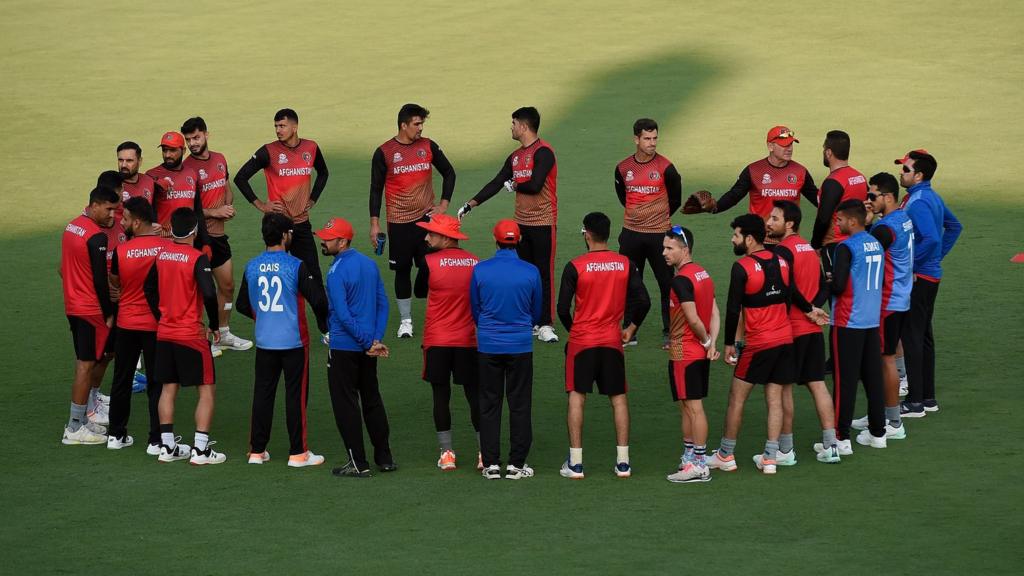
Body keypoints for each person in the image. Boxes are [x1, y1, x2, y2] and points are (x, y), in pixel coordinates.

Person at [556, 212, 651, 480]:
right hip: (612, 341)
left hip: (582, 341)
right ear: (607, 234)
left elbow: (562, 309)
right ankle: (623, 462)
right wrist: (631, 328)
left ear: (586, 234)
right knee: (618, 398)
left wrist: (574, 331)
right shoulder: (624, 263)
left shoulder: (575, 265)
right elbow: (643, 301)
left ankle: (575, 463)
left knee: (577, 396)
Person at [459, 107, 559, 343]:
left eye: (513, 123)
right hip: (521, 225)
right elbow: (496, 182)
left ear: (524, 126)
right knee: (523, 273)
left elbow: (535, 185)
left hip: (543, 223)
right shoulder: (515, 157)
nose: (511, 127)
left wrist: (515, 185)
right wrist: (471, 204)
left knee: (543, 273)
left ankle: (545, 324)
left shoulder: (544, 153)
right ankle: (529, 320)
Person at [237, 213, 329, 468]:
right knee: (295, 396)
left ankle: (257, 451)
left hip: (265, 342)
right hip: (294, 342)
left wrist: (264, 317)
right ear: (286, 235)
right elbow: (319, 300)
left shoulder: (252, 265)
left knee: (262, 395)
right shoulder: (295, 265)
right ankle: (298, 453)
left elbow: (242, 305)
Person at [708, 214, 794, 475]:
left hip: (758, 344)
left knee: (737, 397)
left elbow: (734, 309)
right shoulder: (782, 259)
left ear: (749, 238)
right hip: (784, 338)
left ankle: (725, 454)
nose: (732, 240)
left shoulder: (742, 267)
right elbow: (789, 297)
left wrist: (730, 344)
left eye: (736, 235)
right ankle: (770, 458)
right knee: (775, 397)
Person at [144, 208, 225, 465]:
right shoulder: (197, 259)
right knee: (206, 390)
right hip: (191, 334)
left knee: (168, 388)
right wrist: (214, 324)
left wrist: (162, 316)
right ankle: (200, 450)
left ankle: (167, 447)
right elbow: (210, 294)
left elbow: (148, 289)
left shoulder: (161, 255)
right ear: (195, 231)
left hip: (165, 333)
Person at [369, 103, 457, 338]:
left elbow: (449, 172)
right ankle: (406, 321)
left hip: (427, 221)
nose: (420, 129)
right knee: (401, 271)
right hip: (399, 223)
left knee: (431, 269)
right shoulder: (385, 152)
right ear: (403, 125)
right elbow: (376, 190)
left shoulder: (428, 146)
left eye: (422, 124)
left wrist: (443, 205)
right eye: (417, 124)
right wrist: (375, 224)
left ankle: (437, 317)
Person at [319, 217, 395, 478]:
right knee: (372, 399)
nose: (323, 241)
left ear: (342, 241)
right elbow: (383, 304)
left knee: (346, 405)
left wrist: (365, 342)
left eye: (328, 238)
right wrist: (374, 340)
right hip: (367, 348)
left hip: (344, 347)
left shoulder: (336, 271)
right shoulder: (370, 265)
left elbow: (341, 313)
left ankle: (358, 462)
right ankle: (384, 458)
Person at [765, 201, 841, 463]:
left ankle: (785, 451)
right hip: (812, 329)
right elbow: (823, 286)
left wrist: (807, 308)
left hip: (791, 329)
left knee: (783, 388)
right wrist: (815, 309)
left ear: (789, 224)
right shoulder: (808, 248)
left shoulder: (782, 251)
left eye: (774, 218)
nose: (768, 222)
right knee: (818, 384)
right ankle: (831, 446)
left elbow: (787, 288)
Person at [471, 219, 543, 479]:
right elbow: (536, 312)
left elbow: (475, 309)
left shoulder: (481, 270)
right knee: (520, 404)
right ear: (519, 240)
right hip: (520, 345)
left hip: (488, 345)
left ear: (495, 239)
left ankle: (490, 463)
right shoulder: (531, 271)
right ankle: (516, 464)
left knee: (489, 404)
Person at [895, 150, 962, 416]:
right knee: (923, 337)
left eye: (906, 169)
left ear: (919, 175)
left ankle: (914, 402)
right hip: (929, 275)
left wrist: (913, 264)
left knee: (911, 335)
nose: (902, 172)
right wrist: (935, 258)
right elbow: (954, 227)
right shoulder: (929, 196)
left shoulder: (918, 201)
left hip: (919, 277)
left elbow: (932, 238)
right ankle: (928, 398)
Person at [412, 214, 480, 471]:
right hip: (467, 340)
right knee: (474, 396)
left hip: (437, 340)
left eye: (431, 233)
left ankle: (447, 453)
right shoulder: (475, 262)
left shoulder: (428, 262)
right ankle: (484, 453)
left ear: (446, 237)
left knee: (441, 397)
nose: (426, 237)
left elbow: (419, 292)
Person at [234, 108, 330, 285]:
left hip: (301, 222)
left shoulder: (311, 147)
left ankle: (323, 314)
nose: (278, 130)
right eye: (276, 126)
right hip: (277, 224)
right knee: (277, 275)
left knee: (313, 276)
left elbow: (323, 172)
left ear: (295, 127)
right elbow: (240, 178)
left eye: (282, 126)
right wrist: (261, 205)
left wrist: (313, 198)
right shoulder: (268, 151)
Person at [181, 116, 253, 354]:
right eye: (188, 139)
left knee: (228, 286)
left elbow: (225, 187)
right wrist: (216, 211)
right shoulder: (187, 169)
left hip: (219, 237)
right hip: (199, 239)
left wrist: (228, 205)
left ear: (206, 135)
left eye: (196, 137)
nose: (192, 143)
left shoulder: (220, 159)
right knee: (200, 291)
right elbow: (187, 207)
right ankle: (203, 338)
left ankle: (222, 334)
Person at [850, 173, 913, 440]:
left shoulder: (884, 229)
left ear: (887, 197)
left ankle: (893, 422)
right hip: (900, 297)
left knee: (883, 359)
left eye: (872, 196)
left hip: (887, 301)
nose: (868, 200)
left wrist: (863, 225)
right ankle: (881, 412)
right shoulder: (902, 218)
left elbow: (867, 251)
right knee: (882, 357)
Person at [106, 197, 168, 453]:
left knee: (121, 379)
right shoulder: (164, 249)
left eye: (127, 218)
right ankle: (155, 440)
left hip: (126, 323)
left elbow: (115, 282)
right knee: (156, 381)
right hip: (154, 325)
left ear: (138, 221)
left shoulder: (121, 251)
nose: (122, 222)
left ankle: (116, 435)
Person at [824, 199, 887, 451]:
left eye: (839, 220)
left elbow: (838, 285)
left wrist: (827, 280)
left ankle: (841, 439)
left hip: (848, 322)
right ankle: (878, 433)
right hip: (871, 320)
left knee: (844, 381)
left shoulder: (845, 247)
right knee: (873, 379)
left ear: (852, 220)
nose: (836, 223)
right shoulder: (876, 243)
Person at [614, 118, 682, 347]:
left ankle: (670, 332)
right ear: (636, 139)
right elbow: (622, 195)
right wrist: (637, 214)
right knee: (629, 283)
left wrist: (656, 217)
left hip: (659, 235)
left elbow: (676, 198)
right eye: (647, 138)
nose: (652, 143)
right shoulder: (623, 168)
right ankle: (629, 332)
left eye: (655, 138)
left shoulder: (666, 167)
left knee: (666, 284)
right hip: (631, 234)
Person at [660, 225, 720, 483]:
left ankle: (699, 463)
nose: (664, 253)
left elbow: (694, 319)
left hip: (686, 352)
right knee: (687, 406)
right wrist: (713, 342)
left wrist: (707, 342)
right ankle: (689, 456)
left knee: (694, 408)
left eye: (669, 248)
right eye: (664, 247)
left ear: (685, 250)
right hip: (693, 351)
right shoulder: (702, 274)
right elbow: (714, 311)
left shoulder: (681, 280)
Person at [60, 186, 118, 445]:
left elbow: (62, 269)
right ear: (95, 205)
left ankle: (82, 420)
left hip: (73, 306)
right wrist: (108, 313)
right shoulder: (97, 237)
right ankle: (74, 428)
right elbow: (99, 281)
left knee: (88, 361)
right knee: (85, 366)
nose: (113, 215)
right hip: (91, 310)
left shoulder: (71, 227)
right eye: (109, 209)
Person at [685, 126, 818, 220]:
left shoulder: (800, 172)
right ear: (770, 146)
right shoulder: (753, 170)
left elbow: (818, 200)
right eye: (784, 145)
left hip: (788, 241)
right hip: (760, 240)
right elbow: (734, 195)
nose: (789, 149)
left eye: (791, 144)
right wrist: (715, 207)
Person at [810, 130, 868, 280]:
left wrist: (815, 244)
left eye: (824, 149)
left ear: (829, 152)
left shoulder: (833, 181)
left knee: (836, 291)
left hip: (835, 245)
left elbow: (823, 218)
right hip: (858, 242)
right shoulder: (859, 177)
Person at [144, 132, 208, 244]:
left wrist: (206, 242)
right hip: (163, 241)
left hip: (188, 240)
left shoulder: (191, 173)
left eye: (172, 150)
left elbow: (198, 211)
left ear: (183, 151)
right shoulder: (151, 175)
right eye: (164, 150)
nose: (167, 154)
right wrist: (153, 185)